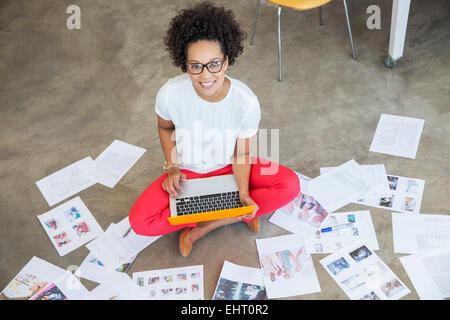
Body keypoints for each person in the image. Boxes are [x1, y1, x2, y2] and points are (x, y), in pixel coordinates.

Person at [128, 2, 300, 257]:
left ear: (227, 60)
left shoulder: (246, 101)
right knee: (140, 222)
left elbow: (242, 155)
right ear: (184, 63)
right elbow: (164, 127)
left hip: (231, 166)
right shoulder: (169, 94)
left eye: (214, 64)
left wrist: (242, 192)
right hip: (189, 173)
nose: (205, 75)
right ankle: (237, 215)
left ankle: (205, 226)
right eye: (195, 65)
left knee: (289, 185)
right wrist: (172, 167)